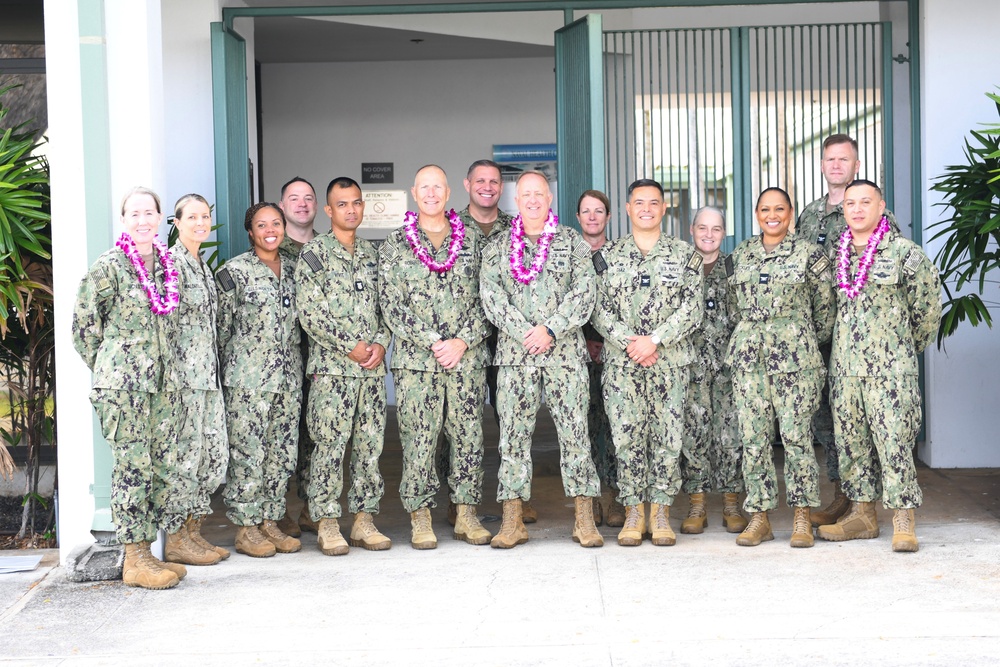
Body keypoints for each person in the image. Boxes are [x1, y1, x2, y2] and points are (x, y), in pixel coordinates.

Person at [72, 186, 188, 589]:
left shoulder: (169, 266)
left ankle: (148, 556)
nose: (142, 220)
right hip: (124, 387)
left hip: (162, 387)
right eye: (133, 214)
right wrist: (113, 368)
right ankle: (134, 560)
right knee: (132, 468)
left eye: (149, 213)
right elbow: (84, 328)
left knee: (159, 467)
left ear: (160, 219)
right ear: (124, 220)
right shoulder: (109, 266)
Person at [479, 170, 603, 549]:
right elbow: (491, 296)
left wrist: (549, 329)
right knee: (513, 439)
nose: (533, 199)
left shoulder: (572, 243)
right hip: (516, 357)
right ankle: (513, 519)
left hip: (564, 354)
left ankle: (584, 518)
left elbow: (584, 294)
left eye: (540, 194)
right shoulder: (498, 247)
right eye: (526, 194)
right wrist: (524, 331)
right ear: (517, 200)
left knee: (575, 436)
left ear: (550, 199)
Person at [817, 180, 941, 552]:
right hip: (846, 371)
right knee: (852, 444)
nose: (856, 209)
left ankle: (903, 519)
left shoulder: (905, 254)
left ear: (881, 205)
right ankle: (862, 515)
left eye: (865, 202)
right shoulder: (836, 258)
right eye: (850, 203)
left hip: (890, 373)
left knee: (894, 443)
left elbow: (928, 311)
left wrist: (901, 350)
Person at [379, 165, 492, 548]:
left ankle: (466, 514)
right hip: (417, 363)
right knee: (418, 439)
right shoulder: (396, 243)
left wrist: (461, 341)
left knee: (468, 437)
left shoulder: (473, 242)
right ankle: (421, 515)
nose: (431, 194)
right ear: (414, 192)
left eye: (437, 187)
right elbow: (391, 304)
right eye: (424, 187)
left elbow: (488, 299)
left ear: (448, 193)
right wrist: (433, 341)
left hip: (466, 359)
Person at [591, 179, 704, 546]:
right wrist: (630, 343)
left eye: (654, 202)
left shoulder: (685, 255)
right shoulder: (607, 256)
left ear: (664, 208)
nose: (646, 208)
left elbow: (693, 308)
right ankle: (633, 512)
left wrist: (654, 340)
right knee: (626, 439)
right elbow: (597, 310)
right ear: (627, 209)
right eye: (639, 202)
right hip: (623, 366)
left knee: (668, 440)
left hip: (668, 363)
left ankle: (660, 512)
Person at [796, 135, 899, 527]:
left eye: (844, 159)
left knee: (865, 420)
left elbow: (896, 277)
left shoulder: (873, 212)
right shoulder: (807, 216)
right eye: (829, 159)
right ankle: (843, 493)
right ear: (822, 165)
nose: (836, 165)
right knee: (826, 419)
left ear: (856, 165)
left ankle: (864, 504)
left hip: (862, 339)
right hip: (818, 337)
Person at [726, 187, 835, 548]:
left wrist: (796, 336)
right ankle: (760, 517)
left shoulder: (809, 254)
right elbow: (732, 306)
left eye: (779, 209)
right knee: (753, 439)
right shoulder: (740, 253)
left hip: (796, 362)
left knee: (797, 438)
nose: (772, 215)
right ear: (756, 214)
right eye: (765, 209)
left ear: (790, 214)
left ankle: (802, 516)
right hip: (748, 361)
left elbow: (825, 311)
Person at [294, 177, 392, 555]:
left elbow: (388, 306)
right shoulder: (314, 254)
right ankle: (328, 522)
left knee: (370, 447)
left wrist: (382, 342)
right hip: (332, 371)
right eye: (343, 204)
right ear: (328, 211)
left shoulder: (373, 254)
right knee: (330, 447)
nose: (351, 210)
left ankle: (364, 521)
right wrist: (349, 346)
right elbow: (311, 313)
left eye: (356, 203)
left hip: (370, 371)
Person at [216, 203, 304, 558]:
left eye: (276, 223)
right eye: (261, 225)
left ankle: (270, 519)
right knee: (248, 453)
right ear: (250, 232)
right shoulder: (233, 272)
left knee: (281, 453)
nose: (271, 230)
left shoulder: (298, 269)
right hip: (248, 380)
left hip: (288, 377)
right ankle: (246, 527)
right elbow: (220, 331)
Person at [162, 194, 229, 568]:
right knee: (184, 459)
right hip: (184, 380)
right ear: (176, 222)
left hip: (208, 377)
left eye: (205, 216)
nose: (201, 223)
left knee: (211, 457)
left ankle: (193, 530)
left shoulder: (201, 266)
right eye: (192, 217)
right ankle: (176, 538)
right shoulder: (171, 264)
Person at [679, 206, 748, 534]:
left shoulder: (735, 268)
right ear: (691, 230)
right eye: (703, 228)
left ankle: (732, 502)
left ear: (724, 232)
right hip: (689, 368)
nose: (709, 234)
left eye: (716, 228)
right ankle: (697, 503)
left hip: (727, 369)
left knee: (730, 434)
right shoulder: (679, 268)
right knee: (692, 435)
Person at [576, 189, 625, 527]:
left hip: (614, 352)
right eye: (586, 211)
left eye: (599, 211)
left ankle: (614, 496)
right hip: (576, 355)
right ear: (578, 217)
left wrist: (605, 342)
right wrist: (584, 342)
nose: (592, 217)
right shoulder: (567, 253)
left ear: (608, 217)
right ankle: (590, 497)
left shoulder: (621, 255)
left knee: (614, 425)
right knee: (582, 425)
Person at [275, 176, 319, 538]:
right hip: (282, 364)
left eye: (308, 198)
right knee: (280, 438)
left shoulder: (327, 247)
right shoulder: (271, 247)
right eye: (294, 198)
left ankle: (310, 508)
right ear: (282, 204)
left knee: (316, 437)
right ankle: (276, 512)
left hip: (321, 362)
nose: (302, 204)